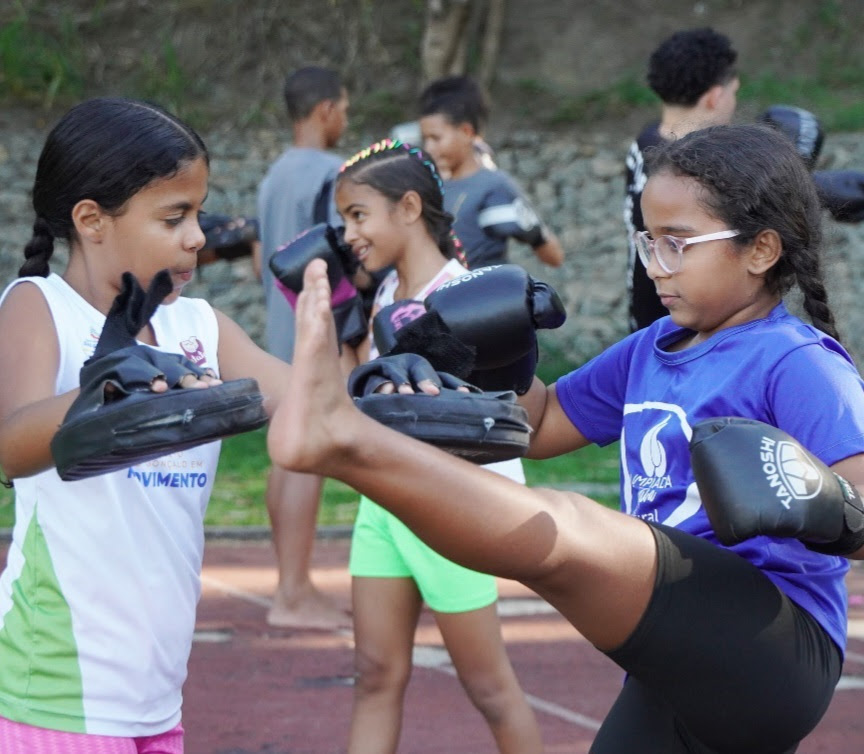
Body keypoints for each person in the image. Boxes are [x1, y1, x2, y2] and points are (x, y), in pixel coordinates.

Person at [270, 124, 864, 753]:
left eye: (677, 244)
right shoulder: (652, 348)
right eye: (648, 242)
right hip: (675, 656)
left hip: (773, 644)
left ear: (761, 249)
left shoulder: (795, 360)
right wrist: (497, 357)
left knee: (569, 530)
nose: (655, 266)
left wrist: (815, 499)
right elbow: (541, 424)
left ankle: (348, 443)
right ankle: (351, 440)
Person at [0, 96, 303, 752]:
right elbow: (11, 448)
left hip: (156, 698)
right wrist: (102, 388)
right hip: (53, 691)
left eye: (198, 214)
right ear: (91, 220)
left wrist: (376, 358)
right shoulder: (41, 306)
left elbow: (309, 407)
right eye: (174, 217)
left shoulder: (198, 326)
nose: (198, 236)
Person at [332, 139, 543, 753]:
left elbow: (505, 416)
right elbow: (354, 402)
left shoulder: (466, 294)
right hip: (384, 502)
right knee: (374, 674)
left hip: (452, 501)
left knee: (488, 687)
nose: (348, 234)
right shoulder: (384, 295)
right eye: (344, 219)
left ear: (407, 207)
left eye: (358, 215)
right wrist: (336, 315)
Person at [254, 65, 352, 629]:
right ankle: (292, 593)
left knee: (285, 455)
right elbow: (345, 259)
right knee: (306, 458)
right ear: (325, 110)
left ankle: (292, 583)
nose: (346, 120)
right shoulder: (333, 174)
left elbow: (261, 261)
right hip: (314, 333)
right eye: (345, 109)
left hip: (278, 331)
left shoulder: (274, 175)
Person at [625, 27, 739, 331]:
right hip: (683, 322)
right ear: (715, 97)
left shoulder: (647, 141)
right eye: (733, 92)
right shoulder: (690, 172)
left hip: (645, 311)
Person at [418, 75, 564, 270]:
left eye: (436, 138)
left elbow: (553, 255)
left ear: (467, 132)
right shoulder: (431, 187)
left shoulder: (493, 187)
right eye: (425, 139)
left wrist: (535, 233)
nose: (429, 148)